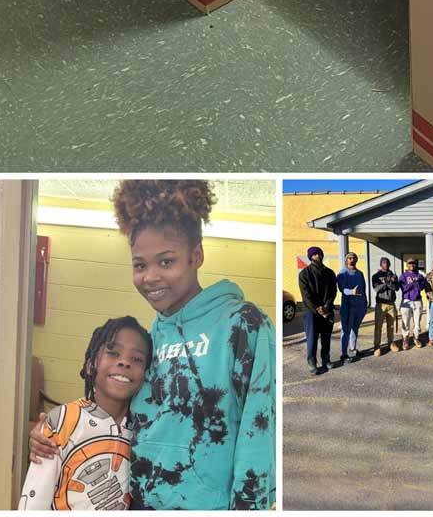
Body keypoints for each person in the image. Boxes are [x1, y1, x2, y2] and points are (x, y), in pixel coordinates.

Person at [29, 180, 276, 510]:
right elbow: (115, 416)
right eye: (140, 265)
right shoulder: (150, 341)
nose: (150, 277)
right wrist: (54, 433)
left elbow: (260, 437)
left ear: (196, 255)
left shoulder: (243, 325)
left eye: (166, 262)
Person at [20, 317, 151, 510]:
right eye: (113, 353)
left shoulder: (146, 429)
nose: (124, 362)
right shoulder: (63, 420)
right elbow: (34, 500)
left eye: (137, 359)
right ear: (90, 365)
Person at [299, 246, 337, 376]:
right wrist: (317, 308)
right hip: (311, 312)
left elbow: (333, 291)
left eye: (319, 254)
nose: (317, 256)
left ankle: (326, 360)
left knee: (326, 338)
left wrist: (326, 306)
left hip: (327, 310)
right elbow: (306, 295)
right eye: (314, 255)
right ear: (310, 257)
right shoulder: (304, 274)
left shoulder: (330, 273)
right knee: (312, 338)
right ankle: (312, 362)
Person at [336, 252, 368, 363]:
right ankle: (344, 354)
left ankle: (353, 348)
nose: (352, 259)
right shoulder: (343, 273)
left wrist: (365, 303)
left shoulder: (360, 273)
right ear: (346, 260)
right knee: (346, 330)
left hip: (360, 306)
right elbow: (341, 288)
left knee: (355, 328)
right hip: (348, 306)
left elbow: (363, 289)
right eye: (349, 258)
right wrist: (351, 291)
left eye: (354, 258)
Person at [371, 256, 400, 356]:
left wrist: (392, 280)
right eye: (383, 263)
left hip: (391, 304)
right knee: (378, 326)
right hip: (381, 304)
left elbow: (396, 288)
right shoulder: (376, 276)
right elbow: (377, 289)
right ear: (380, 264)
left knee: (391, 326)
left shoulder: (393, 275)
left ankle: (391, 343)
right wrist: (387, 281)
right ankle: (377, 346)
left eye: (387, 263)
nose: (386, 264)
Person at [398, 258, 425, 350]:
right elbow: (403, 288)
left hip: (417, 300)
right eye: (410, 263)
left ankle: (416, 338)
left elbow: (421, 287)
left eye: (413, 263)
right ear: (407, 265)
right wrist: (412, 283)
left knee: (417, 321)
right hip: (407, 300)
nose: (412, 265)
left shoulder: (419, 275)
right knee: (405, 321)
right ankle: (405, 339)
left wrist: (418, 282)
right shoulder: (403, 275)